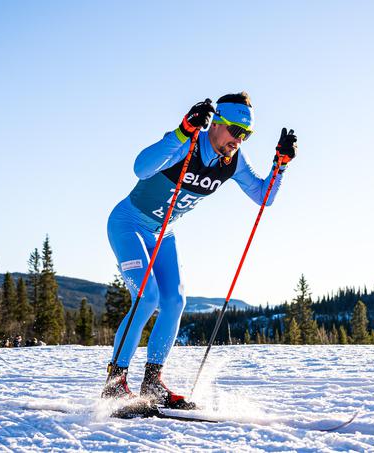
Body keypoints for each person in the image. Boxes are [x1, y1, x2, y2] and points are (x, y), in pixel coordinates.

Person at [101, 93, 297, 409]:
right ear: (216, 123)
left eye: (246, 134)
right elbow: (140, 168)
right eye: (235, 130)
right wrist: (182, 130)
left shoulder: (233, 162)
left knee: (175, 301)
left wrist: (280, 165)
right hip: (129, 223)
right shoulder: (186, 143)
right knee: (146, 297)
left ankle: (152, 383)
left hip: (163, 233)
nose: (239, 140)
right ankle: (115, 383)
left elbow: (263, 196)